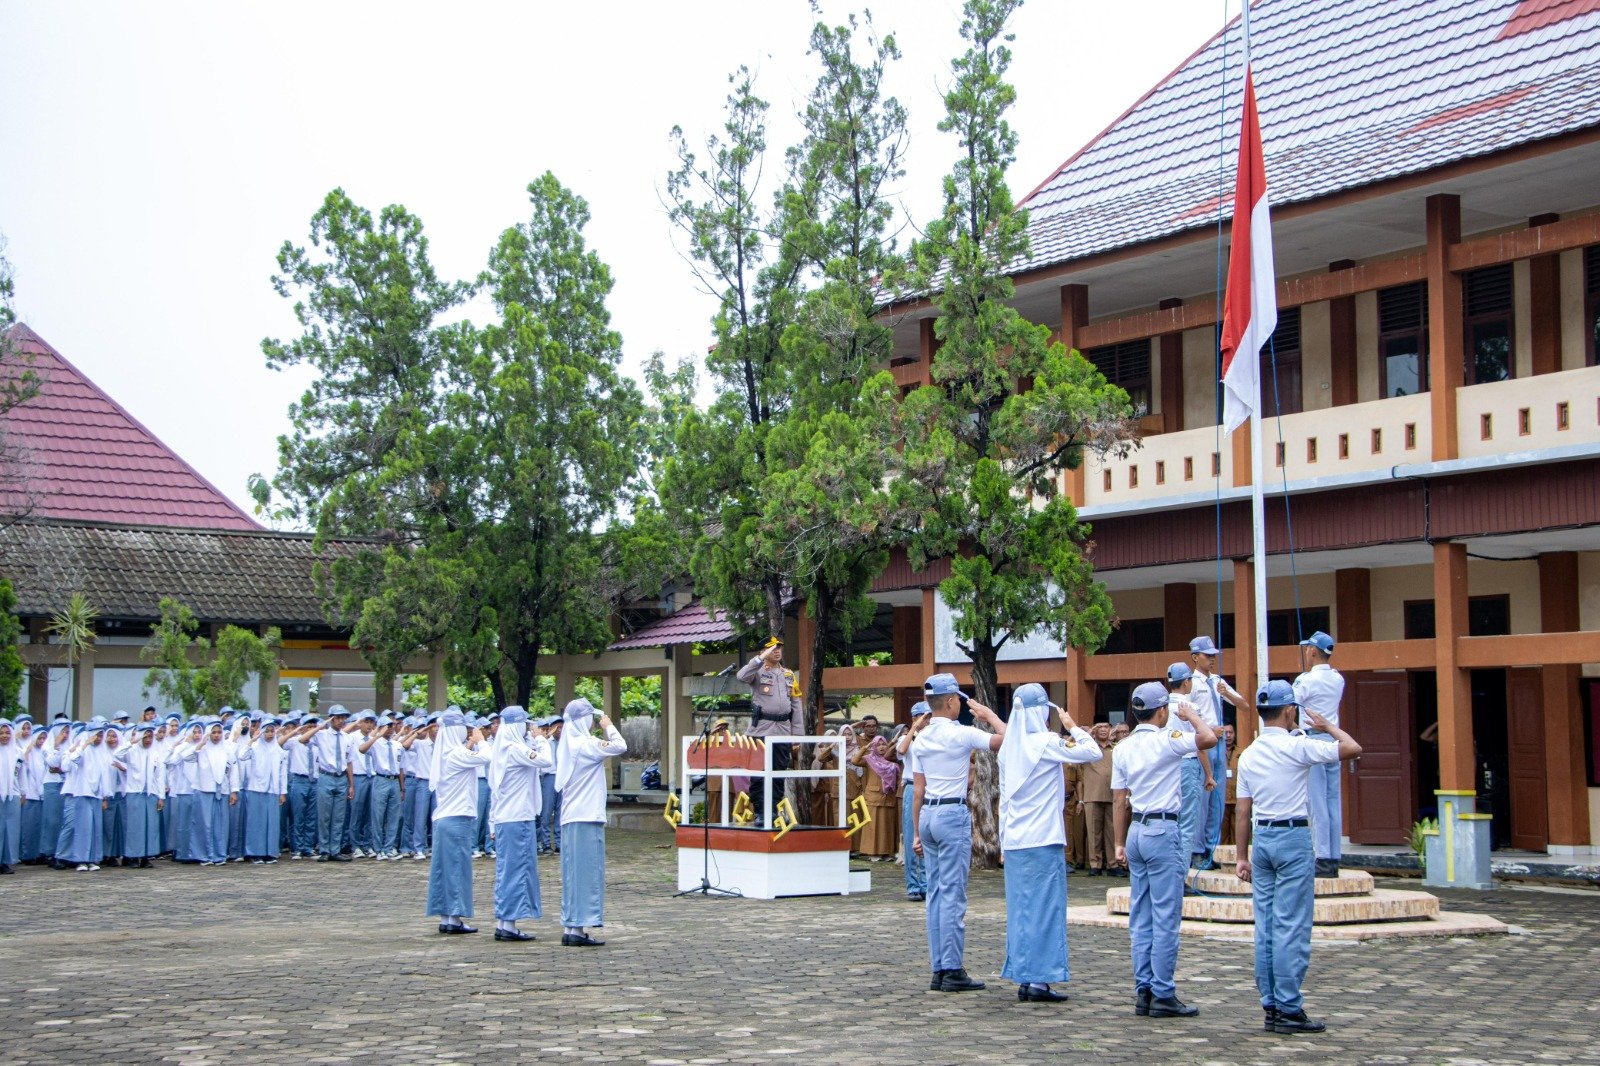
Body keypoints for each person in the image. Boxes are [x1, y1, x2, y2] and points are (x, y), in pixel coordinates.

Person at [1235, 678, 1362, 1035]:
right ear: (1290, 710)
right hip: (1292, 837)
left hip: (1262, 839)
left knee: (1267, 926)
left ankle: (1271, 1005)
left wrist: (1241, 856)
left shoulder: (1249, 753)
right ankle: (1290, 1006)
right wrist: (1326, 726)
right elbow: (1352, 748)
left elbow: (1242, 813)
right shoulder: (1299, 746)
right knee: (1292, 925)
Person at [1112, 680, 1217, 1019]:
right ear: (1162, 711)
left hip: (1136, 829)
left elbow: (1118, 799)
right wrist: (1190, 716)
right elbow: (1209, 739)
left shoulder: (1123, 747)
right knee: (1166, 915)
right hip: (1162, 829)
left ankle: (1143, 988)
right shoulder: (1167, 740)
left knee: (1140, 915)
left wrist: (1117, 842)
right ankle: (1163, 991)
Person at [997, 684, 1102, 1003]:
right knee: (1045, 910)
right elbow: (1092, 753)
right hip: (1043, 839)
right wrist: (1072, 727)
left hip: (1015, 841)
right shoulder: (1045, 742)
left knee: (1021, 911)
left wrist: (1002, 842)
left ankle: (1025, 976)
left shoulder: (1008, 749)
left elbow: (1003, 800)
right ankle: (1040, 981)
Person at [910, 673, 1006, 993]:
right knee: (953, 894)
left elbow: (919, 789)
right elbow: (1005, 739)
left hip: (928, 815)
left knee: (936, 893)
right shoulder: (961, 734)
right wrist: (989, 715)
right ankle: (952, 968)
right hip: (952, 813)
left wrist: (916, 833)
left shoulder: (921, 738)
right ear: (951, 701)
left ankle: (939, 967)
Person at [555, 698, 627, 946]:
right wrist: (608, 725)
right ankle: (577, 929)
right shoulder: (586, 745)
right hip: (586, 816)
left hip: (572, 816)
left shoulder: (570, 744)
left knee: (573, 873)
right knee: (586, 874)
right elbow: (620, 746)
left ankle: (572, 926)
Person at [487, 706, 554, 942]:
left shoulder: (504, 748)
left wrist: (492, 823)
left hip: (508, 818)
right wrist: (541, 739)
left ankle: (505, 922)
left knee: (509, 871)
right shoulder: (514, 749)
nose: (528, 728)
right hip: (517, 818)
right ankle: (508, 925)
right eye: (525, 724)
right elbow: (546, 761)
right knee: (516, 872)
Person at [1187, 637, 1250, 870]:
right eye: (1207, 655)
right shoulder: (1191, 683)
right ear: (1195, 657)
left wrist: (1228, 694)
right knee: (1202, 797)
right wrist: (1205, 728)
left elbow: (1244, 705)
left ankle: (1211, 848)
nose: (1212, 659)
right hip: (1203, 741)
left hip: (1219, 743)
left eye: (1213, 655)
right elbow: (1185, 715)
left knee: (1218, 799)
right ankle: (1197, 849)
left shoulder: (1217, 682)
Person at [427, 709, 492, 934]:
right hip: (456, 819)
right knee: (456, 870)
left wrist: (471, 743)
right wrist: (481, 741)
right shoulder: (455, 754)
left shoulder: (449, 752)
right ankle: (453, 919)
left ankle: (447, 918)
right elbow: (486, 757)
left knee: (446, 870)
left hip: (447, 819)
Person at [1293, 631, 1346, 879]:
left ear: (1313, 651)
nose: (1306, 653)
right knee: (1333, 799)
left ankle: (1322, 856)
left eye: (1308, 649)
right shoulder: (1338, 679)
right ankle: (1334, 856)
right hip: (1333, 741)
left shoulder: (1306, 680)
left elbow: (1290, 706)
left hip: (1313, 740)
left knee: (1316, 802)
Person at [735, 637, 803, 827]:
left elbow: (796, 704)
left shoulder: (788, 675)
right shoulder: (756, 672)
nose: (777, 650)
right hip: (761, 730)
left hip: (782, 730)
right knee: (759, 773)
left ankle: (773, 810)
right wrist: (758, 660)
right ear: (762, 652)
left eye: (779, 647)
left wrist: (797, 735)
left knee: (778, 772)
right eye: (771, 648)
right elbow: (741, 676)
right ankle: (760, 812)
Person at [57, 721, 108, 871]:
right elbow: (69, 763)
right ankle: (78, 859)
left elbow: (104, 775)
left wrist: (105, 795)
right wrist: (83, 745)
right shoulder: (78, 750)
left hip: (96, 794)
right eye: (96, 735)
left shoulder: (101, 751)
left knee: (94, 827)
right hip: (80, 792)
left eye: (100, 735)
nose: (98, 739)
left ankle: (92, 858)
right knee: (80, 827)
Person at [237, 717, 288, 864]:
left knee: (271, 822)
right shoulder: (254, 747)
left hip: (272, 790)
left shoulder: (278, 750)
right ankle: (254, 852)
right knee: (256, 822)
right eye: (267, 731)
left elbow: (282, 772)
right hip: (256, 788)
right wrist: (252, 740)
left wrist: (282, 791)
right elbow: (241, 756)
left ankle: (270, 852)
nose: (270, 734)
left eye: (272, 731)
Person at [307, 706, 355, 862]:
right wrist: (321, 726)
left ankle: (335, 849)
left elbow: (349, 762)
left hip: (341, 778)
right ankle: (324, 849)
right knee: (324, 816)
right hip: (326, 776)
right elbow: (303, 739)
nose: (341, 721)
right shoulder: (321, 735)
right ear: (331, 718)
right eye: (338, 718)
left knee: (339, 817)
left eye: (343, 718)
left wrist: (351, 784)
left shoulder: (347, 738)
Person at [896, 706, 931, 901]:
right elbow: (901, 750)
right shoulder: (906, 738)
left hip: (931, 787)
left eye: (928, 717)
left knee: (927, 835)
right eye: (922, 717)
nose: (925, 720)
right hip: (911, 786)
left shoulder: (933, 737)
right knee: (912, 835)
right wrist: (913, 728)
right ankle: (912, 884)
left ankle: (926, 883)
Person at [122, 723, 165, 868]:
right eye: (145, 736)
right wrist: (132, 742)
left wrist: (161, 796)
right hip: (135, 792)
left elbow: (160, 776)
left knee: (150, 826)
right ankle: (133, 856)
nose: (148, 740)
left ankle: (147, 856)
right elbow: (117, 754)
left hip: (151, 794)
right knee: (135, 826)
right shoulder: (132, 750)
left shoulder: (155, 752)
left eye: (150, 737)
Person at [852, 734, 900, 860]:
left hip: (888, 797)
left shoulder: (892, 760)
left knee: (886, 825)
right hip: (873, 796)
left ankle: (885, 853)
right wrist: (864, 748)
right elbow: (854, 761)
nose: (881, 747)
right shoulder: (869, 759)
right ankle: (872, 853)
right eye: (878, 745)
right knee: (873, 826)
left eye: (883, 744)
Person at [363, 713, 404, 860]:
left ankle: (389, 848)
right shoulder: (375, 743)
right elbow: (362, 749)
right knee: (378, 816)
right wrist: (377, 735)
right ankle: (378, 848)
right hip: (381, 779)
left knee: (394, 816)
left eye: (392, 726)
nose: (390, 729)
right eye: (387, 726)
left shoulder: (397, 745)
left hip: (394, 781)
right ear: (380, 728)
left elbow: (401, 768)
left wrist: (401, 787)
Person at [1079, 722, 1116, 876]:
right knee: (1094, 832)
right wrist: (1089, 733)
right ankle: (1095, 864)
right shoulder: (1089, 748)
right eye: (1099, 727)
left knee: (1112, 831)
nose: (1102, 730)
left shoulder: (1116, 748)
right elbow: (1075, 746)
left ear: (1111, 730)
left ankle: (1113, 864)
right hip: (1092, 795)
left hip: (1113, 795)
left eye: (1106, 727)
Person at [280, 713, 319, 859]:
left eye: (314, 727)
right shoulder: (295, 741)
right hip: (299, 780)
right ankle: (297, 847)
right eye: (309, 726)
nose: (312, 729)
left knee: (311, 816)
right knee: (298, 815)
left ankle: (308, 847)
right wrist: (294, 731)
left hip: (314, 781)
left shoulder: (317, 743)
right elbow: (280, 743)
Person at [536, 716, 562, 853]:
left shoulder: (565, 742)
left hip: (562, 777)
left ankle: (559, 843)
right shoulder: (546, 741)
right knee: (546, 811)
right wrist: (546, 738)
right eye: (556, 727)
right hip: (549, 776)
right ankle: (545, 843)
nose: (559, 730)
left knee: (561, 811)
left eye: (562, 727)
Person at [0, 718, 20, 874]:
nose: (5, 736)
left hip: (12, 794)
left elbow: (20, 775)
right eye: (1, 733)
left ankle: (5, 861)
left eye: (7, 732)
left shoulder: (16, 752)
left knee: (9, 829)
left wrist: (23, 792)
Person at [1221, 724, 1240, 847]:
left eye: (1231, 732)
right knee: (1222, 831)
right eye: (1225, 733)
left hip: (1238, 797)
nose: (1228, 736)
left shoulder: (1241, 752)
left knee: (1237, 830)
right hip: (1221, 798)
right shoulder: (1216, 751)